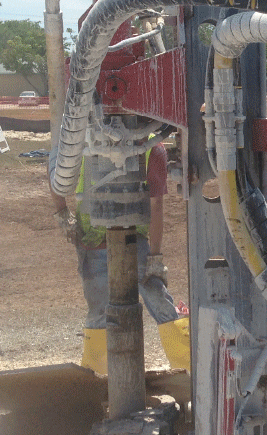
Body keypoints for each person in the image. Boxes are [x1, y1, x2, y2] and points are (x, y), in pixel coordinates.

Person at [50, 126, 189, 374]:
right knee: (157, 298)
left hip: (92, 239)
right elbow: (156, 206)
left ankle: (96, 374)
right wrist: (155, 258)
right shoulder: (152, 149)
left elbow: (55, 172)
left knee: (98, 310)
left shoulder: (83, 140)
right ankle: (188, 365)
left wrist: (62, 212)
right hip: (130, 240)